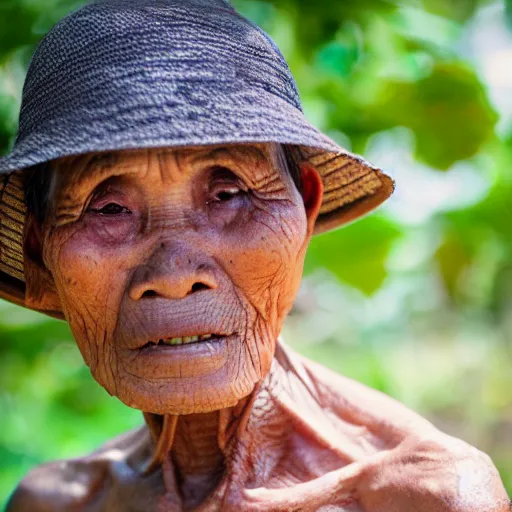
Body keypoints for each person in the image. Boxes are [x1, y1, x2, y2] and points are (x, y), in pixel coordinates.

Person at [1, 0, 509, 510]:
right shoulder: (56, 503)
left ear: (305, 211)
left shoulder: (425, 500)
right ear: (40, 255)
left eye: (228, 195)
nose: (175, 275)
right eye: (108, 208)